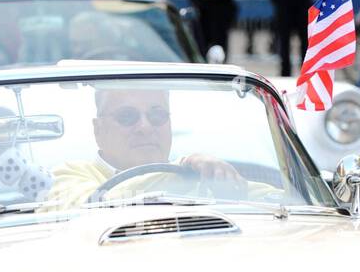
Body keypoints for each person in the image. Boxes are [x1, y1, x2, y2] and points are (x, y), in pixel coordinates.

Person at [48, 87, 255, 209]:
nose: (145, 127)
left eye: (157, 115)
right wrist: (183, 169)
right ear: (98, 130)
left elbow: (280, 204)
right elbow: (90, 206)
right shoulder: (69, 175)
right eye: (127, 116)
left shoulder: (200, 174)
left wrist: (229, 183)